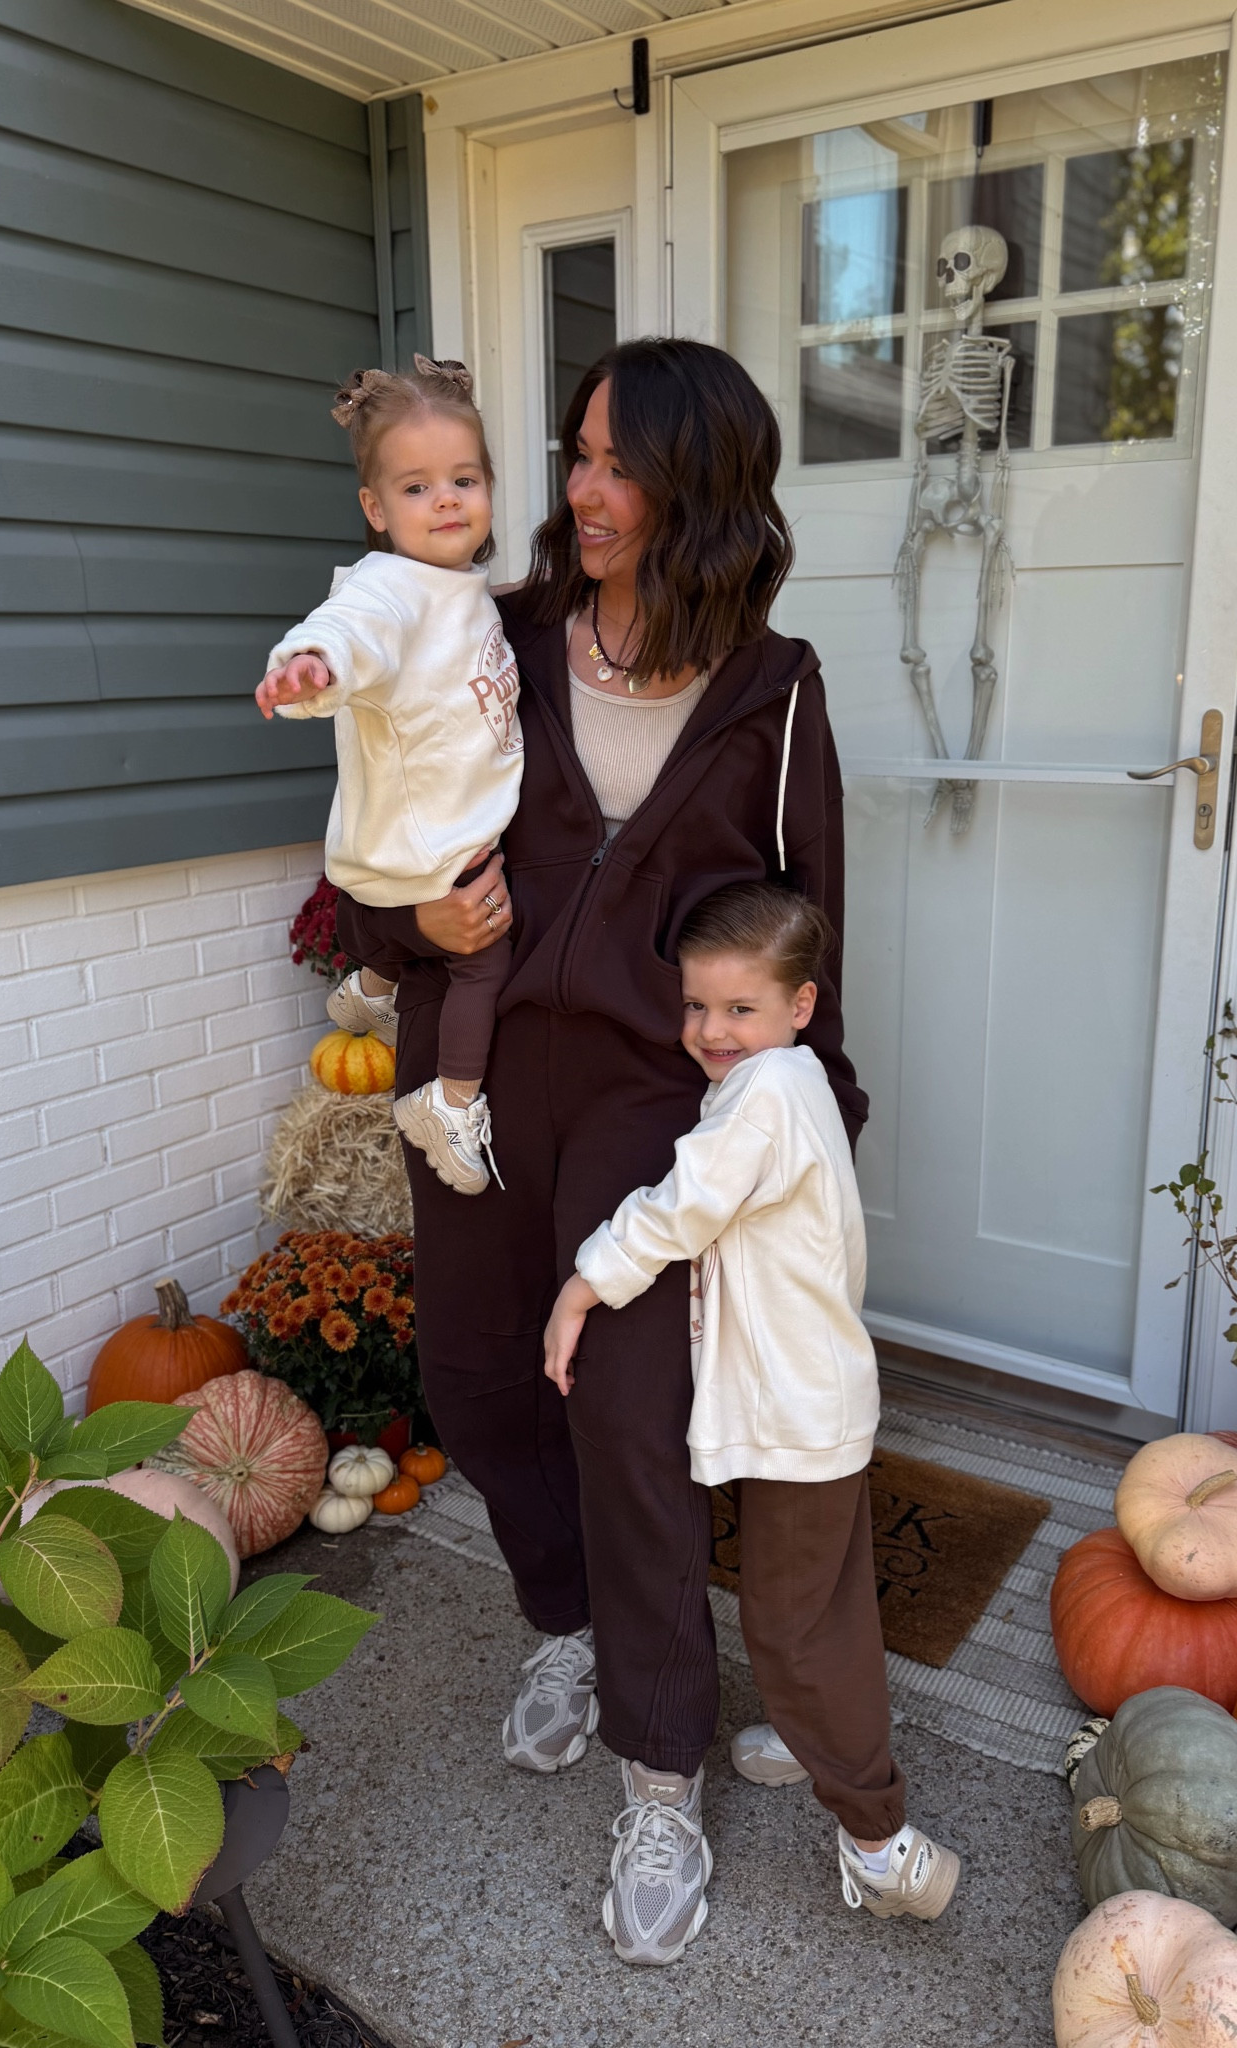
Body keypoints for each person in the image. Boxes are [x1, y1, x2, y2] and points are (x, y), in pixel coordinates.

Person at [332, 338, 869, 1967]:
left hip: (655, 1106)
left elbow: (808, 928)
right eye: (574, 453)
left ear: (700, 485)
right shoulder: (484, 638)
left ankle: (659, 1769)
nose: (581, 488)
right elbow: (375, 858)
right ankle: (561, 1621)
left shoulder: (775, 689)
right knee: (478, 1376)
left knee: (629, 1419)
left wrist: (815, 1125)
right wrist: (411, 928)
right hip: (477, 1074)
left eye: (619, 462)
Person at [543, 880, 962, 1929]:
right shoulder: (797, 1078)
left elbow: (681, 1205)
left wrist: (583, 1284)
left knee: (791, 1627)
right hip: (815, 1398)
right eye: (696, 1005)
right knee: (825, 1602)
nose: (711, 1030)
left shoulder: (764, 1092)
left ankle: (881, 1841)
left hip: (796, 1415)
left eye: (740, 1007)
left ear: (800, 1005)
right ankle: (817, 1733)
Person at [257, 355, 520, 1196]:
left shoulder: (455, 586)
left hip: (419, 839)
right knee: (484, 958)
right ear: (375, 509)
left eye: (464, 480)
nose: (446, 500)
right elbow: (349, 628)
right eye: (416, 488)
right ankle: (450, 1102)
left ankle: (372, 986)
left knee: (425, 945)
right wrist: (310, 665)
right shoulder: (391, 590)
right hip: (428, 850)